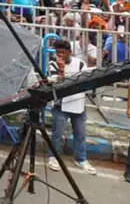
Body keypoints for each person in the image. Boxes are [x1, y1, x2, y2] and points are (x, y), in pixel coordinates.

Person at [47, 39, 97, 175]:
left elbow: (86, 80)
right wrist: (61, 70)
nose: (60, 55)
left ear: (70, 52)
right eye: (58, 53)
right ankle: (53, 157)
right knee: (57, 133)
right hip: (61, 105)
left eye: (63, 52)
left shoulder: (80, 64)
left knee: (80, 134)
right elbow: (57, 85)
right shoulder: (53, 64)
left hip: (78, 104)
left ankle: (81, 159)